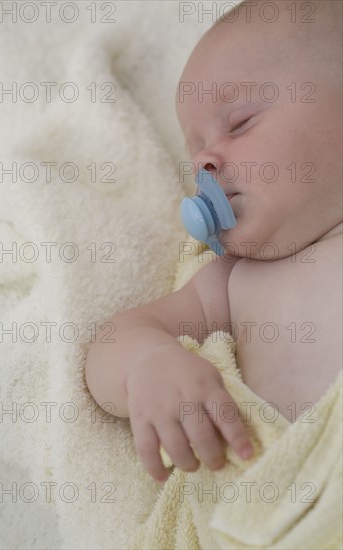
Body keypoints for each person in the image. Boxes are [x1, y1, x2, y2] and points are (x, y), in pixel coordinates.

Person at [85, 0, 342, 483]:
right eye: (194, 149)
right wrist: (147, 362)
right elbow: (113, 342)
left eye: (239, 122)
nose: (204, 160)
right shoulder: (237, 281)